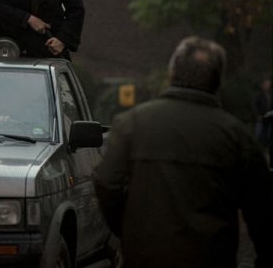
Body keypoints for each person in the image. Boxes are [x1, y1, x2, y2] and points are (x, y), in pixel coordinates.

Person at [93, 36, 273, 268]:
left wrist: (127, 229)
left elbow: (106, 182)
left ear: (172, 74)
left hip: (145, 255)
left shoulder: (132, 124)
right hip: (211, 257)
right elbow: (261, 209)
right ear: (218, 81)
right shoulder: (236, 136)